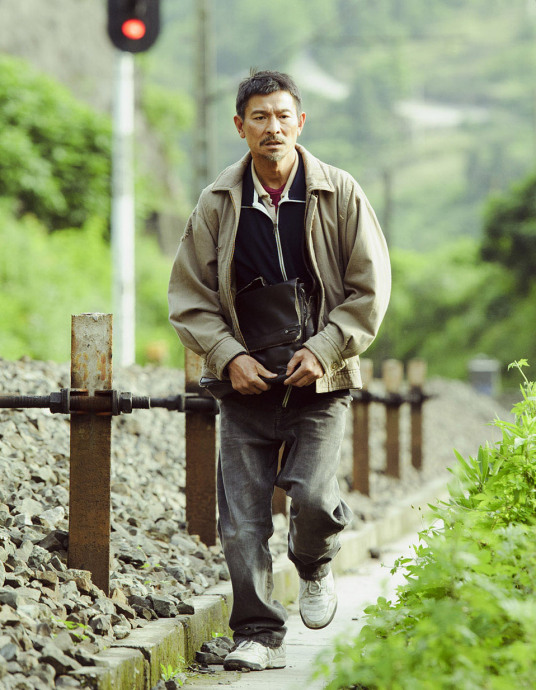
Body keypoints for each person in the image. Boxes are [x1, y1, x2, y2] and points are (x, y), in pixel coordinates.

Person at [168, 69, 391, 672]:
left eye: (282, 115)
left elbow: (370, 289)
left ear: (300, 122)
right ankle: (259, 635)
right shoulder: (217, 203)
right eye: (259, 117)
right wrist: (228, 358)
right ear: (239, 127)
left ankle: (315, 563)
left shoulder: (339, 192)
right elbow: (190, 299)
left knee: (313, 496)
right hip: (245, 385)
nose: (272, 127)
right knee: (241, 523)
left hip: (320, 381)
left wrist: (324, 348)